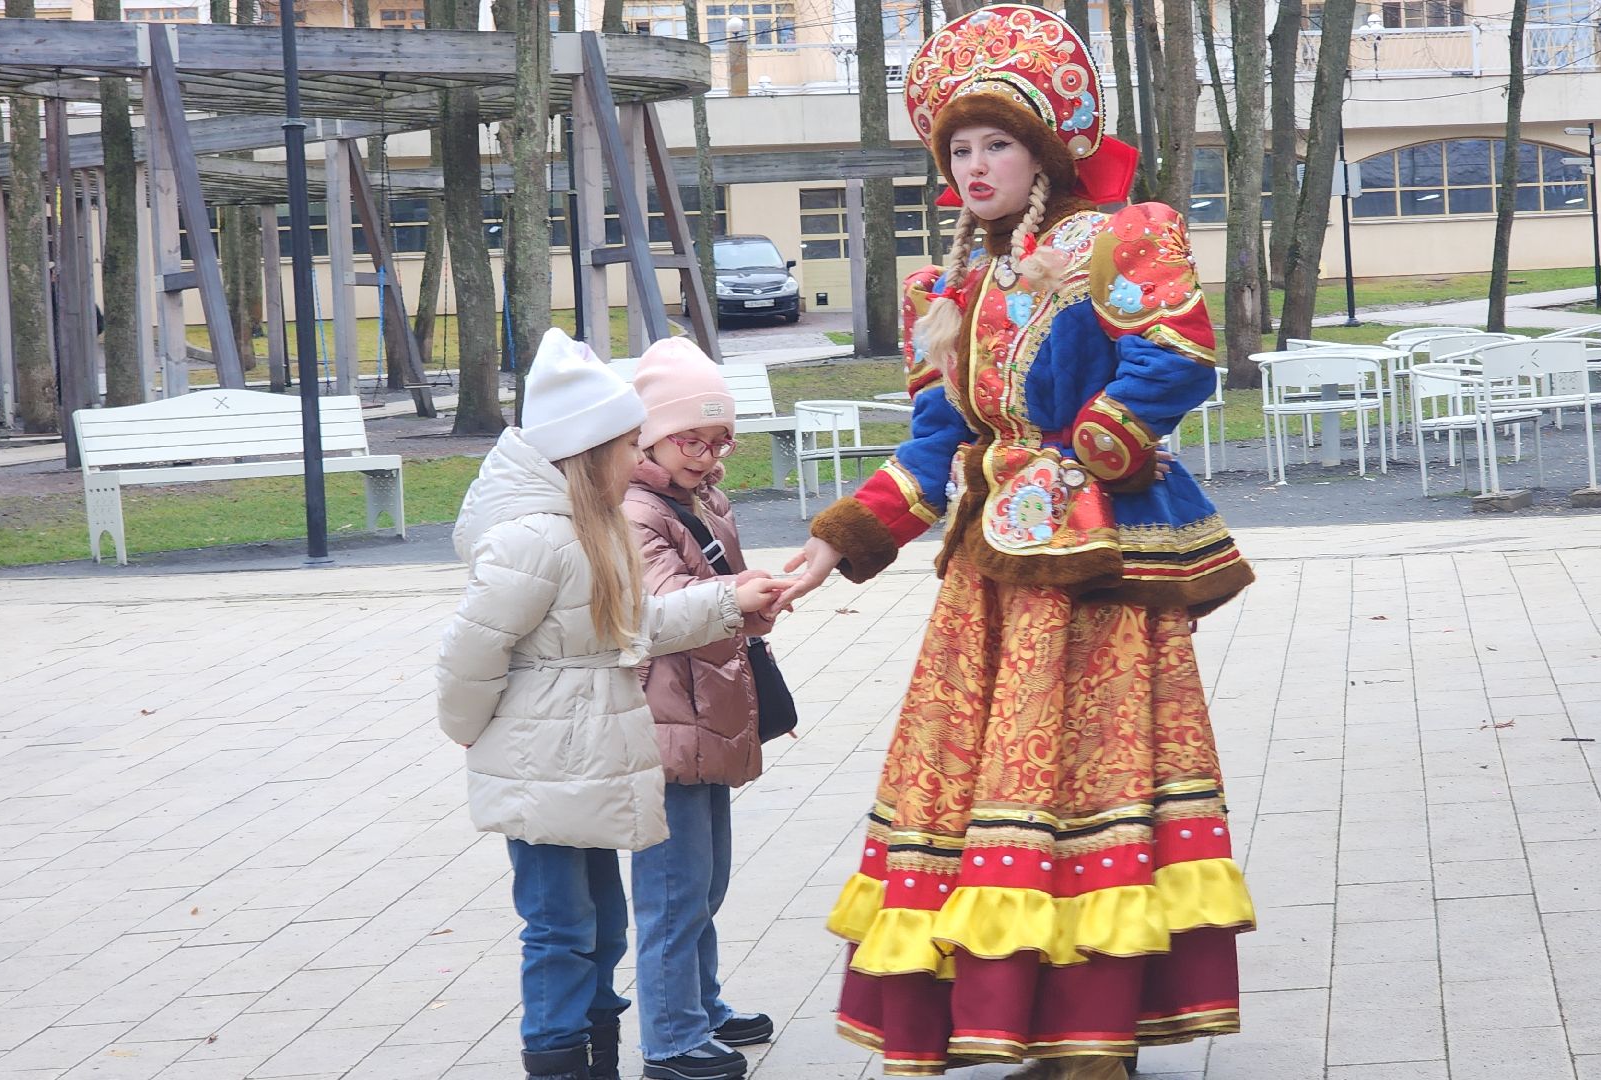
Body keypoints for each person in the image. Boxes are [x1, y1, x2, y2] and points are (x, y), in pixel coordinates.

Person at [778, 6, 1257, 1079]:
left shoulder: (1120, 235)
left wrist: (1086, 451)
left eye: (996, 142)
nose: (975, 163)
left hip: (1094, 580)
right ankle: (1034, 1023)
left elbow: (1176, 352)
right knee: (987, 799)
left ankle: (1095, 1036)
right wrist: (831, 545)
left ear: (1040, 152)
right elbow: (934, 447)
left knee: (1089, 788)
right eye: (959, 147)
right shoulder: (947, 292)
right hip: (987, 590)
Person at [436, 329, 791, 1080]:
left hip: (593, 759)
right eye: (631, 445)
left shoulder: (589, 530)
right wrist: (473, 733)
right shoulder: (535, 539)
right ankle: (561, 1059)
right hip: (540, 760)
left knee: (598, 926)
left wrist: (729, 605)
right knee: (560, 926)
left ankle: (598, 1052)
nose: (640, 460)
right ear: (591, 450)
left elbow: (639, 626)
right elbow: (470, 653)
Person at [621, 338, 780, 1080]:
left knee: (706, 880)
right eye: (691, 438)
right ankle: (671, 1039)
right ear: (649, 434)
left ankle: (701, 1008)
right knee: (672, 890)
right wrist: (733, 602)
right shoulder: (634, 511)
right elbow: (658, 607)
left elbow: (720, 594)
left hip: (707, 711)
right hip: (664, 721)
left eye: (720, 440)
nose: (708, 454)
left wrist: (752, 605)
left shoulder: (704, 497)